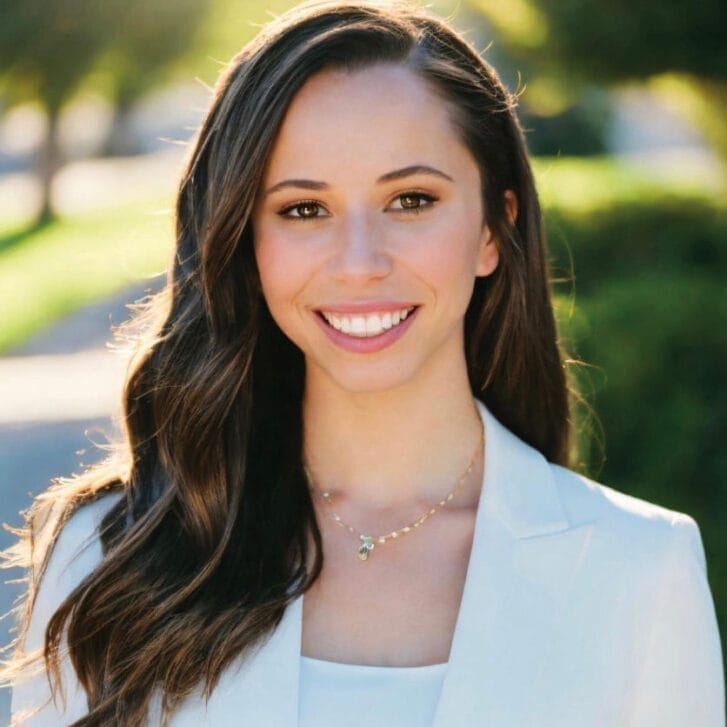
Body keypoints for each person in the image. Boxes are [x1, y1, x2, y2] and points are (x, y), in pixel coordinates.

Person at [3, 1, 724, 725]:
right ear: (245, 244)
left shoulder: (638, 570)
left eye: (410, 200)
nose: (358, 263)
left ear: (492, 230)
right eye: (303, 210)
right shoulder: (104, 559)